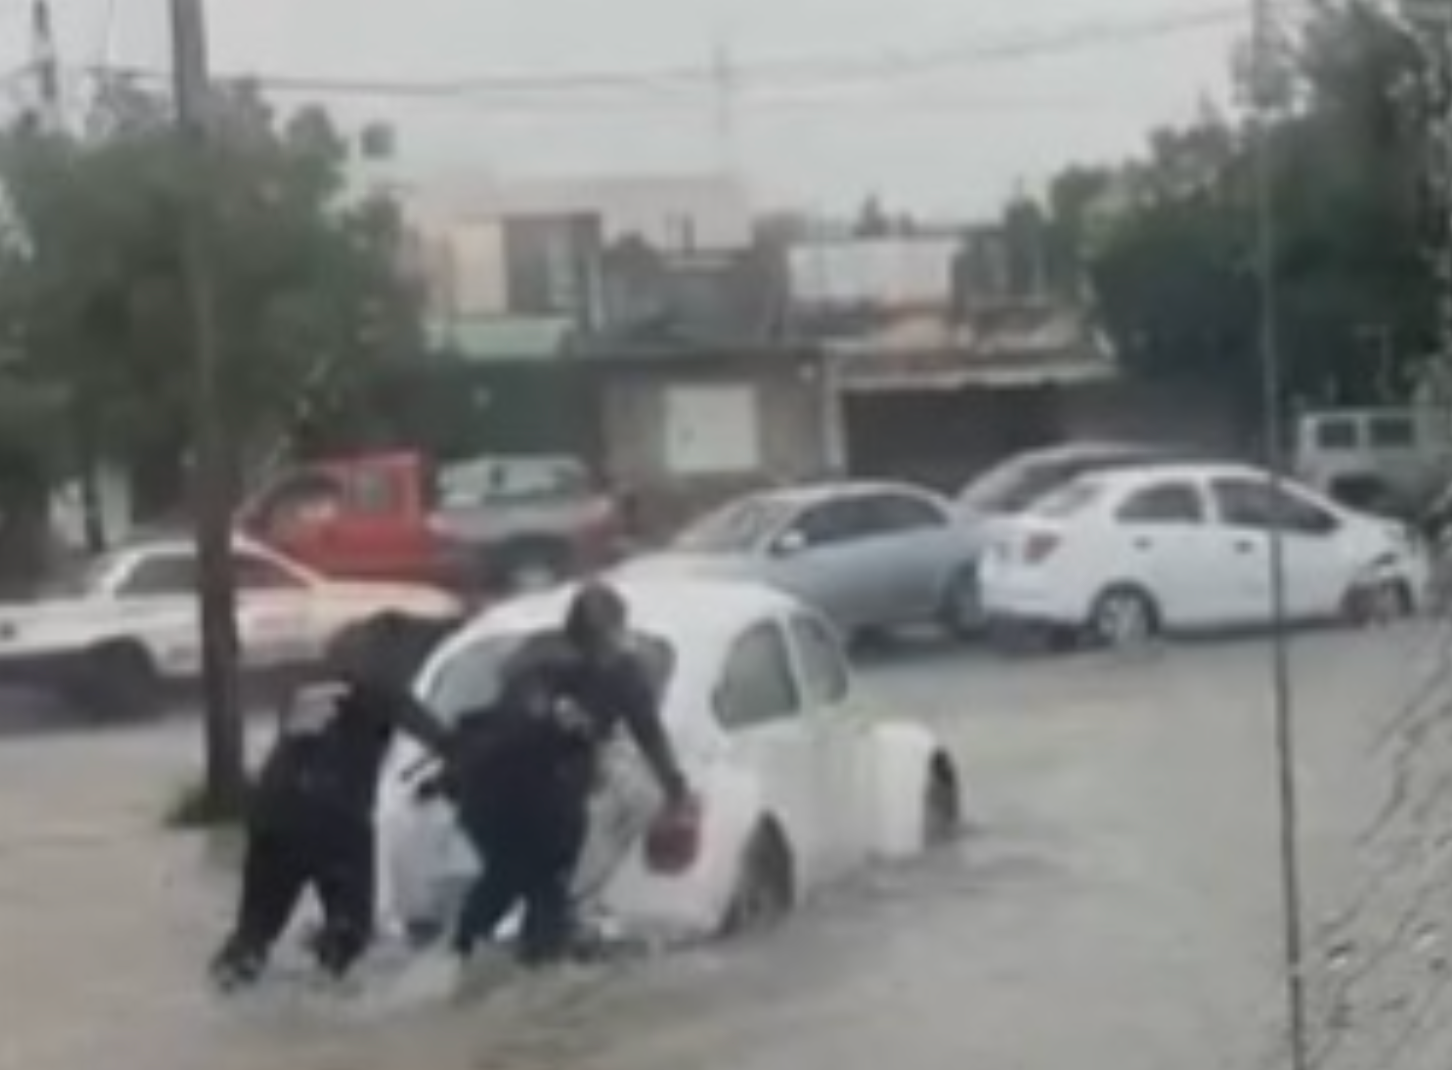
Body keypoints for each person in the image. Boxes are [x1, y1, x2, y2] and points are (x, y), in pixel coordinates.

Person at [442, 581, 692, 972]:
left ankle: (485, 959)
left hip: (530, 794)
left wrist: (676, 788)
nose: (612, 646)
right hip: (509, 791)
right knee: (525, 881)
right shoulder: (546, 662)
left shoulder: (615, 672)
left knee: (527, 882)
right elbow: (524, 702)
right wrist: (551, 714)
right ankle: (511, 967)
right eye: (608, 635)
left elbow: (648, 732)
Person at [209, 611, 456, 991]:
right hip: (336, 818)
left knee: (254, 931)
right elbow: (445, 741)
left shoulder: (305, 687)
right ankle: (325, 1006)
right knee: (351, 931)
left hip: (273, 814)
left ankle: (227, 995)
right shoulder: (381, 688)